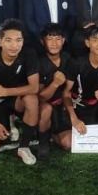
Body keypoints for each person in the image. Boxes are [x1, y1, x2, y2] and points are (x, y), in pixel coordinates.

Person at [0, 20, 39, 164]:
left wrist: (4, 91)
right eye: (8, 40)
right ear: (0, 42)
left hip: (15, 99)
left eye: (18, 40)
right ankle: (2, 124)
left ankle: (24, 147)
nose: (14, 45)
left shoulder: (29, 54)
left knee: (32, 100)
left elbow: (34, 87)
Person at [35, 23, 71, 160]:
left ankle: (54, 135)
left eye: (58, 39)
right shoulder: (38, 62)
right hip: (44, 108)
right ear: (42, 41)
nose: (54, 43)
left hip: (63, 108)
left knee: (68, 144)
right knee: (46, 108)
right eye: (50, 39)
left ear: (63, 40)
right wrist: (55, 84)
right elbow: (40, 97)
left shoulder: (68, 58)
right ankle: (43, 141)